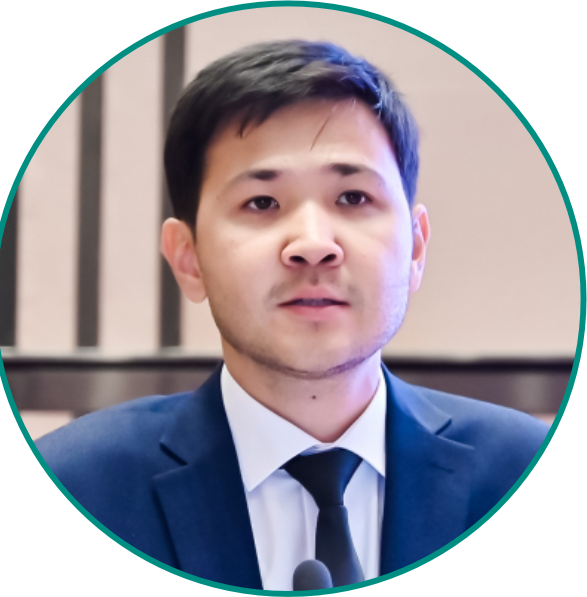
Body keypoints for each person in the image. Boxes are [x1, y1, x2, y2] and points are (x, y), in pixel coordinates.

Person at [36, 40, 548, 591]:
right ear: (188, 260)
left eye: (352, 198)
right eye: (262, 203)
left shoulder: (533, 477)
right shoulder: (67, 490)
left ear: (416, 248)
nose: (312, 244)